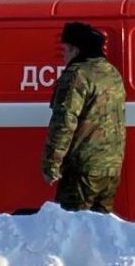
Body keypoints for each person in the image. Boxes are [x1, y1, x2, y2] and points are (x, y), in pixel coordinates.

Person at [42, 20, 127, 212]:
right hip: (111, 168)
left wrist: (51, 165)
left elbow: (64, 122)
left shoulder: (76, 75)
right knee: (101, 230)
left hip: (82, 170)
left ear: (76, 50)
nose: (62, 55)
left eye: (64, 49)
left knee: (75, 229)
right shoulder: (111, 73)